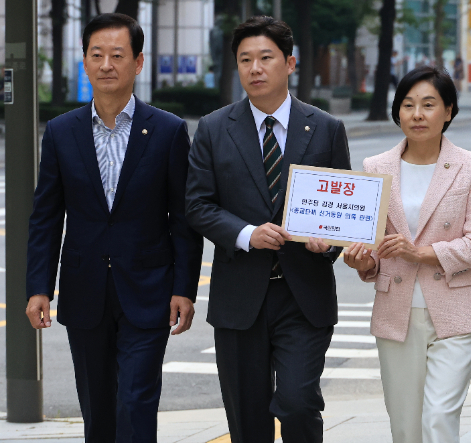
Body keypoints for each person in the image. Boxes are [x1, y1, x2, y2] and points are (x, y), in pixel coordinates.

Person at [25, 13, 203, 442]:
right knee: (98, 407)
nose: (106, 64)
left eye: (118, 55)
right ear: (85, 61)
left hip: (148, 290)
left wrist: (184, 288)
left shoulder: (167, 130)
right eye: (97, 55)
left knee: (136, 401)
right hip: (84, 288)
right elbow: (46, 216)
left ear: (138, 62)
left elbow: (183, 219)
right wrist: (38, 287)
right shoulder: (61, 132)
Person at [184, 16, 351, 443]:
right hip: (240, 296)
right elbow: (197, 206)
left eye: (265, 58)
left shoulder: (326, 128)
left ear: (290, 63)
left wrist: (328, 244)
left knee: (298, 402)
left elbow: (343, 211)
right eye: (245, 60)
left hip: (303, 296)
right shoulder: (214, 128)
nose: (255, 68)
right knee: (247, 420)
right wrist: (246, 234)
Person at [343, 66, 471, 443]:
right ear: (397, 112)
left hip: (455, 310)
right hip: (397, 311)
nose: (417, 114)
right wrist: (364, 261)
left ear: (449, 110)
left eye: (429, 104)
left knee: (439, 417)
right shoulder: (375, 167)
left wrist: (422, 253)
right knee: (406, 427)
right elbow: (373, 245)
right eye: (408, 105)